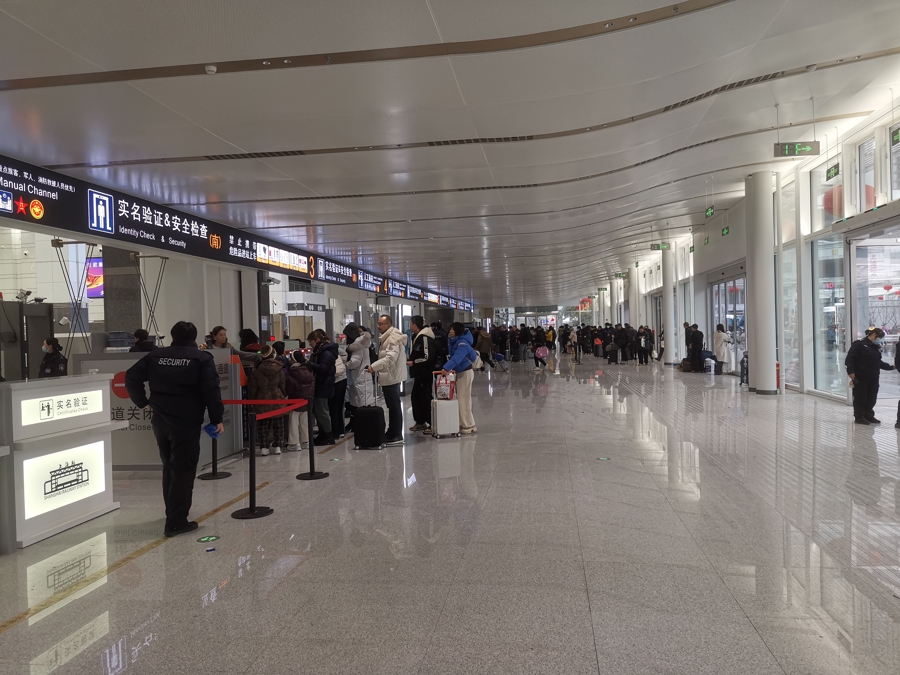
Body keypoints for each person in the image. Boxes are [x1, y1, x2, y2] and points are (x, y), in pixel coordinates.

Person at [125, 321, 223, 537]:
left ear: (172, 335)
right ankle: (176, 522)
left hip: (161, 419)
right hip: (186, 421)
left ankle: (172, 513)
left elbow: (131, 377)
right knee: (184, 469)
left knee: (169, 466)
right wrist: (217, 418)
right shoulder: (201, 358)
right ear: (194, 337)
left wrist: (143, 402)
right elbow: (211, 390)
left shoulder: (156, 356)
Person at [367, 315, 408, 445]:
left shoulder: (393, 338)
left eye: (381, 324)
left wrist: (374, 367)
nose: (378, 326)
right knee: (392, 405)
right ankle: (392, 431)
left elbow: (390, 358)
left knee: (394, 406)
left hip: (392, 376)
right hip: (389, 375)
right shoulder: (386, 337)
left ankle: (396, 434)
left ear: (388, 324)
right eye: (378, 323)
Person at [846, 327, 894, 425]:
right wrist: (851, 372)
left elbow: (878, 362)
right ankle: (859, 417)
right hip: (860, 376)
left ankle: (868, 415)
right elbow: (850, 359)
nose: (879, 340)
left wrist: (891, 367)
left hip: (873, 376)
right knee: (861, 397)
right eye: (879, 338)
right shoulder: (859, 344)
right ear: (874, 335)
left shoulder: (876, 347)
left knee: (872, 397)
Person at [248, 344, 287, 455]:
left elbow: (253, 388)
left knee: (263, 425)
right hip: (277, 397)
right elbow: (283, 386)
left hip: (262, 398)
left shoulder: (257, 371)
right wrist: (284, 395)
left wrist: (251, 400)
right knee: (278, 424)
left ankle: (264, 447)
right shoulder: (279, 370)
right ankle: (277, 446)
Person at [303, 329, 339, 445]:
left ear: (317, 340)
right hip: (321, 384)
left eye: (311, 342)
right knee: (318, 411)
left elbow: (323, 368)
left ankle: (328, 435)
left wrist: (309, 364)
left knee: (322, 411)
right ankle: (323, 433)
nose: (311, 345)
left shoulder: (326, 353)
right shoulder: (321, 351)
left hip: (324, 385)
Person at [441, 322, 478, 434]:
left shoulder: (462, 343)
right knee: (462, 398)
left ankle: (468, 425)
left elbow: (457, 357)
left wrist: (446, 368)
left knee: (463, 399)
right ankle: (464, 423)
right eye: (450, 329)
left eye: (453, 329)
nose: (450, 331)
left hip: (465, 373)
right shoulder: (454, 341)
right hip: (460, 372)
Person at [406, 315, 438, 432]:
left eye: (410, 323)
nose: (409, 326)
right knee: (416, 397)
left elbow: (428, 356)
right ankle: (420, 421)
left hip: (425, 373)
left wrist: (414, 362)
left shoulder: (424, 337)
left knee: (425, 398)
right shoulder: (416, 337)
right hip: (418, 374)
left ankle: (432, 423)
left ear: (415, 324)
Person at [344, 323, 374, 431]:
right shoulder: (362, 344)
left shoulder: (358, 345)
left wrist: (344, 365)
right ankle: (358, 424)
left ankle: (361, 426)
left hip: (360, 377)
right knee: (360, 402)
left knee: (360, 403)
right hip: (362, 376)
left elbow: (354, 362)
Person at [285, 349, 313, 451]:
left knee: (293, 422)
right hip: (306, 399)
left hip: (295, 399)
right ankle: (306, 441)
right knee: (304, 421)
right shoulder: (308, 370)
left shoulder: (292, 372)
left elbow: (290, 388)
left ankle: (294, 443)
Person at [329, 339, 349, 439]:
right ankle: (341, 430)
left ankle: (336, 431)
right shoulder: (336, 350)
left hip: (335, 380)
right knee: (339, 407)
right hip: (342, 379)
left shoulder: (327, 351)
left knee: (333, 407)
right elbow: (345, 354)